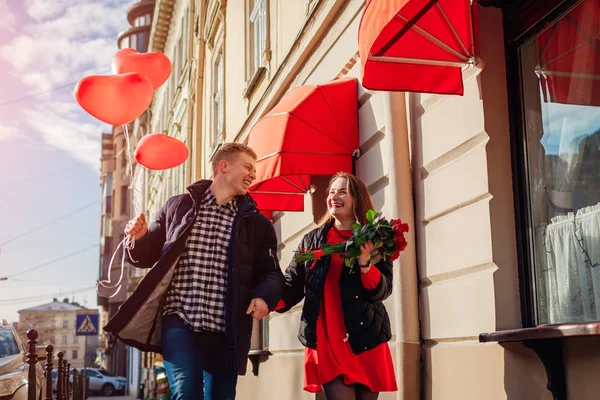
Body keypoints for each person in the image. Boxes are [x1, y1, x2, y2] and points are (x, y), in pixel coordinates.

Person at [104, 142, 284, 400]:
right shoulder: (179, 207)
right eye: (247, 167)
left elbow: (272, 273)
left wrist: (264, 296)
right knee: (186, 393)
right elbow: (146, 255)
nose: (253, 175)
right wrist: (139, 238)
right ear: (223, 166)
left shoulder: (257, 224)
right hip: (181, 322)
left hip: (226, 328)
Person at [275, 172, 397, 400]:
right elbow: (292, 284)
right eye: (331, 192)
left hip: (365, 337)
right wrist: (266, 299)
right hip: (327, 340)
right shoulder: (311, 241)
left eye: (343, 191)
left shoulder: (376, 238)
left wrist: (365, 265)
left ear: (357, 199)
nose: (334, 196)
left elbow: (382, 289)